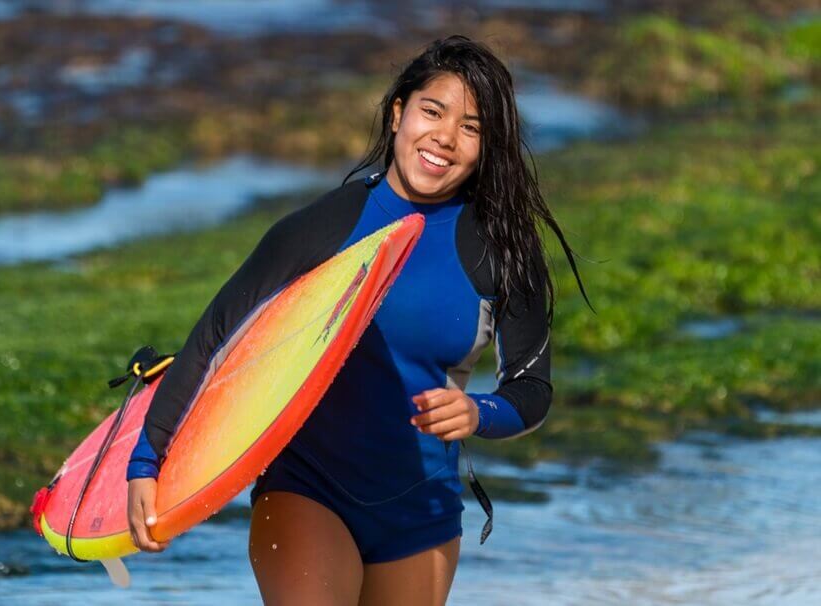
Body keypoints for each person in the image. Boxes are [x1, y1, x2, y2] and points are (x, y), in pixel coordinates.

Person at [125, 35, 588, 605]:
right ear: (399, 114)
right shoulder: (326, 227)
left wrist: (478, 410)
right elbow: (216, 338)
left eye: (471, 127)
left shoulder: (500, 252)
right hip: (307, 487)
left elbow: (532, 388)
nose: (444, 136)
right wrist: (147, 460)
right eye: (432, 111)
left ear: (486, 149)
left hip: (421, 508)